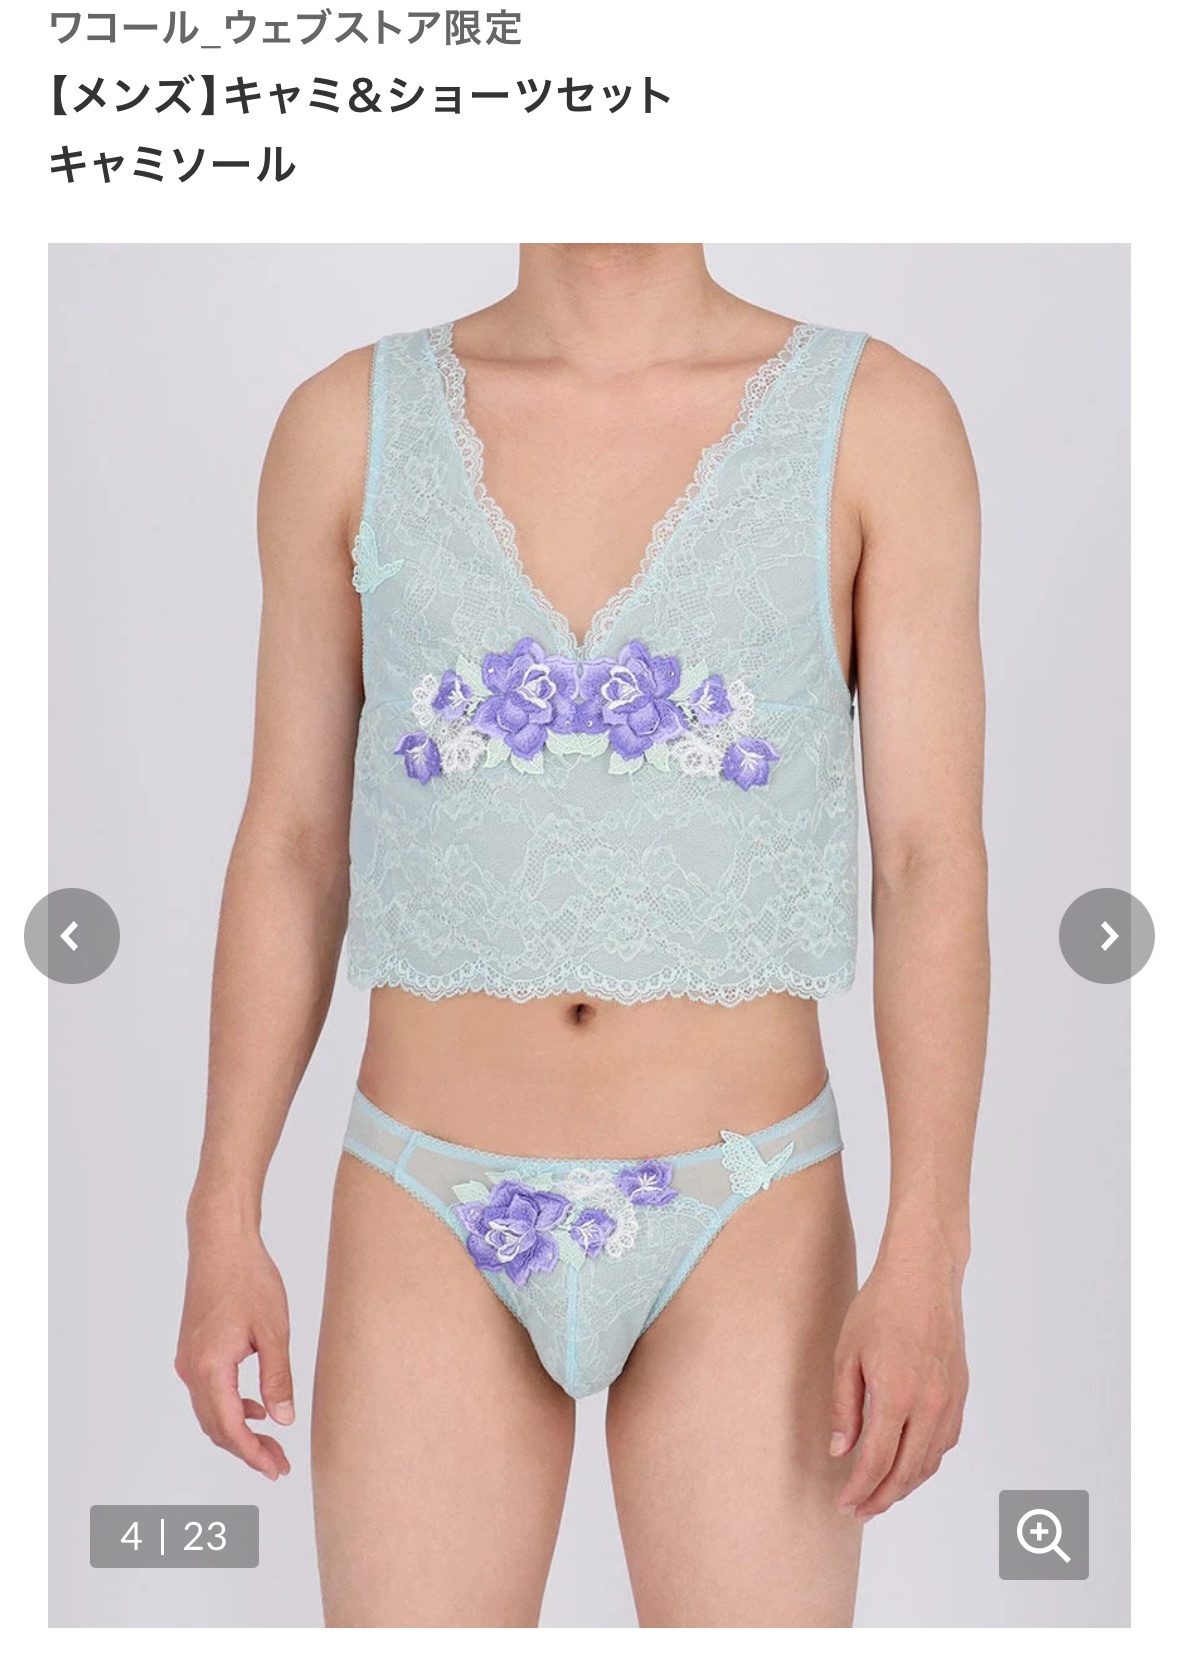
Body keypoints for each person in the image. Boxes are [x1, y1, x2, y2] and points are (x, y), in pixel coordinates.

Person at [176, 243, 987, 1628]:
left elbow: (928, 862)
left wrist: (929, 1248)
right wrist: (222, 1209)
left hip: (752, 1207)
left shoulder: (880, 422)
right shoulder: (346, 424)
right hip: (424, 1197)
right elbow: (292, 846)